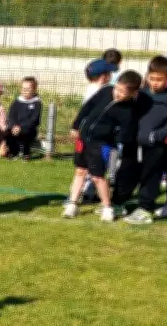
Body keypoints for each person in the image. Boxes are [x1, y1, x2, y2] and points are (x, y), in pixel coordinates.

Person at [68, 71, 150, 222]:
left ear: (133, 93)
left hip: (102, 144)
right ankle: (72, 204)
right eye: (116, 88)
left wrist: (116, 143)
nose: (117, 93)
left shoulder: (128, 111)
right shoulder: (105, 91)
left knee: (97, 176)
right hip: (84, 138)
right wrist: (76, 125)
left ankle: (107, 207)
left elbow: (125, 134)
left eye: (122, 92)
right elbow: (88, 107)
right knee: (80, 170)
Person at [119, 56, 167, 225]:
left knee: (151, 175)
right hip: (136, 144)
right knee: (129, 173)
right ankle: (120, 203)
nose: (155, 83)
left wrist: (156, 136)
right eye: (152, 78)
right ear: (147, 76)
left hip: (156, 146)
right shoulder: (141, 95)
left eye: (159, 79)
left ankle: (145, 209)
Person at [64, 58, 118, 215]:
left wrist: (76, 126)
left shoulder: (92, 89)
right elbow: (88, 110)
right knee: (95, 173)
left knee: (83, 171)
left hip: (87, 136)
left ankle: (80, 200)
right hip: (95, 139)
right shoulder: (105, 91)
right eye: (109, 73)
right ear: (104, 76)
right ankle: (103, 205)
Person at [4, 76, 42, 159]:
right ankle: (14, 152)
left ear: (34, 89)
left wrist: (21, 127)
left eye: (27, 89)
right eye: (23, 89)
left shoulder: (37, 103)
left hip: (29, 128)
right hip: (15, 127)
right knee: (7, 133)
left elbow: (34, 119)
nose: (25, 91)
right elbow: (11, 116)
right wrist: (14, 125)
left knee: (26, 133)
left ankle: (26, 152)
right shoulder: (16, 102)